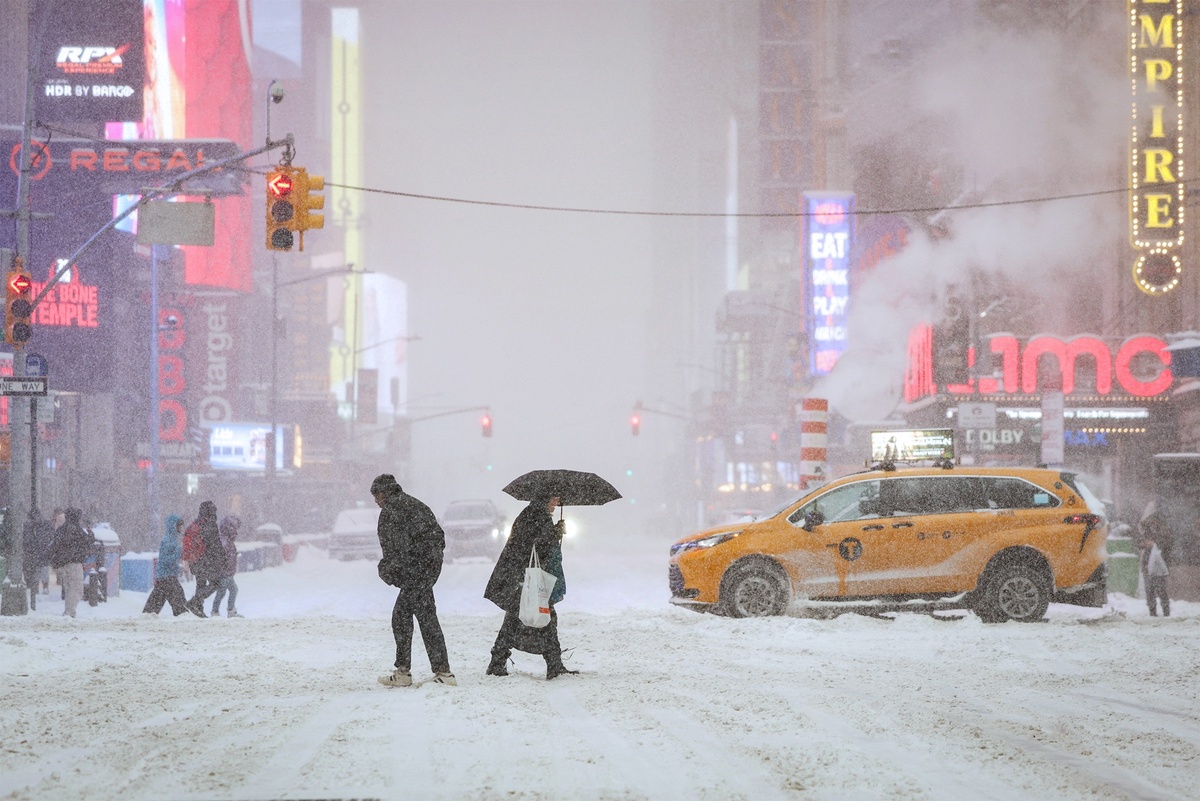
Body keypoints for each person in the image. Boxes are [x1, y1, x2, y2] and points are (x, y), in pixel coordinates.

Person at [371, 474, 456, 687]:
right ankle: (414, 670)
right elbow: (438, 537)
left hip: (415, 572)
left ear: (383, 492)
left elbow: (396, 549)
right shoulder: (416, 505)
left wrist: (388, 570)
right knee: (414, 616)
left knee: (410, 618)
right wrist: (430, 562)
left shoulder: (392, 511)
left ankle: (438, 673)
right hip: (425, 569)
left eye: (376, 495)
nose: (375, 501)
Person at [485, 495, 578, 680]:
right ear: (543, 499)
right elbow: (533, 545)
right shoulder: (534, 515)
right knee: (540, 617)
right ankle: (553, 664)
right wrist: (555, 533)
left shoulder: (534, 514)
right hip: (524, 577)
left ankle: (499, 661)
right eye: (552, 499)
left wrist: (554, 532)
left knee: (520, 618)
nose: (555, 504)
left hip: (523, 576)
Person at [143, 514, 190, 616]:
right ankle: (184, 617)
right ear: (173, 526)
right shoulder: (167, 540)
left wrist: (178, 566)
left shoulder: (172, 539)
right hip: (167, 577)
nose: (180, 528)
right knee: (178, 600)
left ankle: (146, 616)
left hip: (166, 576)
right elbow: (165, 560)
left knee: (156, 602)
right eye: (178, 526)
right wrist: (179, 553)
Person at [49, 507, 92, 618]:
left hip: (63, 564)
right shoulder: (76, 529)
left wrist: (56, 562)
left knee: (69, 588)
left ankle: (68, 611)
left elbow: (55, 545)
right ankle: (70, 612)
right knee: (77, 589)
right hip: (74, 563)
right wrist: (90, 533)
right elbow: (87, 542)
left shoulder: (62, 529)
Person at [184, 501, 222, 618]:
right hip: (205, 560)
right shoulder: (210, 524)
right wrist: (222, 558)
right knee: (216, 583)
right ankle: (194, 602)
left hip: (195, 560)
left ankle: (198, 609)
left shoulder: (196, 523)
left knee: (200, 584)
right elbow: (215, 545)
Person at [210, 515, 243, 618]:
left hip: (227, 572)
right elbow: (221, 558)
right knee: (226, 591)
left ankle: (218, 611)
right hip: (224, 573)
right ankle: (226, 611)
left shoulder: (226, 541)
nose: (236, 532)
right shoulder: (224, 542)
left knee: (225, 591)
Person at [22, 509, 54, 611]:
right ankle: (34, 587)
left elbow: (50, 536)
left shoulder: (45, 525)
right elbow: (25, 539)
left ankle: (44, 587)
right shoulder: (28, 526)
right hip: (33, 554)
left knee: (43, 571)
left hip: (41, 553)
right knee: (32, 571)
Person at [1139, 520, 1171, 618]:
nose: (1143, 543)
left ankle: (1164, 611)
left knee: (1158, 593)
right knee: (1151, 594)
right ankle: (1154, 612)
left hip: (1157, 574)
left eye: (1145, 541)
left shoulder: (1156, 549)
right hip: (1149, 573)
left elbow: (1161, 560)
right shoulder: (1149, 549)